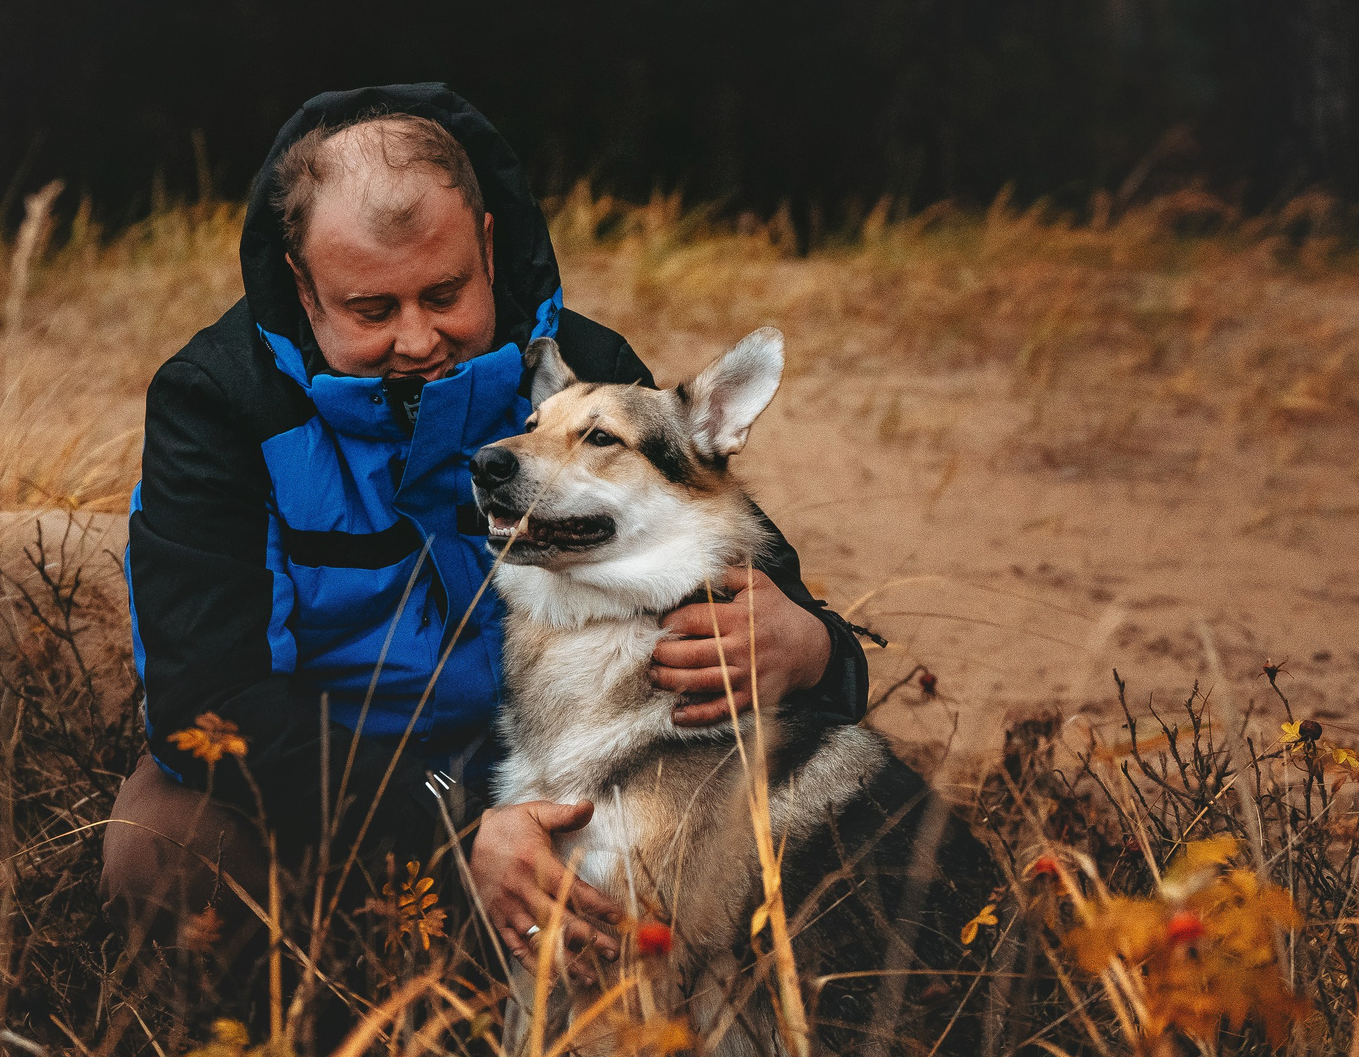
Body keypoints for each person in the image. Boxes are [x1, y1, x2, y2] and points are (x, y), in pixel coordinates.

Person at [105, 83, 868, 979]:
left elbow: (750, 572)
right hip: (341, 793)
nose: (421, 339)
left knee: (809, 808)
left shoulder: (587, 376)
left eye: (445, 292)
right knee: (157, 838)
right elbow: (208, 697)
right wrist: (451, 832)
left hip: (566, 771)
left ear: (490, 249)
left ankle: (592, 1017)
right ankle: (310, 1047)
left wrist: (814, 648)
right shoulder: (217, 407)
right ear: (304, 286)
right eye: (372, 310)